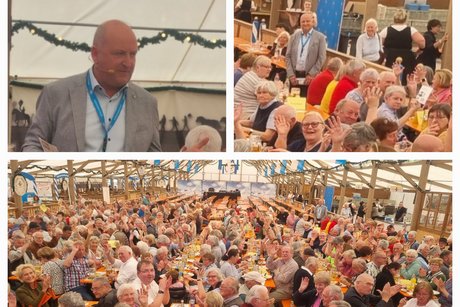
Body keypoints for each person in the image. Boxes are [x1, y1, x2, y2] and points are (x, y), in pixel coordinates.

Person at [22, 20, 161, 152]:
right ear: (95, 54)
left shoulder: (147, 103)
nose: (128, 63)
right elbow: (33, 145)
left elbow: (155, 158)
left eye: (133, 54)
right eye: (119, 54)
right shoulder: (56, 94)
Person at [286, 12, 327, 97]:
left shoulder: (320, 38)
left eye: (308, 21)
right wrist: (290, 74)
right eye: (303, 21)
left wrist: (311, 74)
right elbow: (288, 56)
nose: (305, 23)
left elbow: (321, 58)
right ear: (300, 23)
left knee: (305, 102)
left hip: (309, 76)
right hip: (294, 75)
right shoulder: (294, 36)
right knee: (292, 100)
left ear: (312, 22)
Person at [380, 9, 425, 84]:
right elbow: (422, 41)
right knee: (406, 77)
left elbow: (379, 42)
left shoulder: (386, 30)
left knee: (389, 75)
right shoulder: (411, 29)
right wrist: (420, 49)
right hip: (406, 57)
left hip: (389, 56)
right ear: (405, 19)